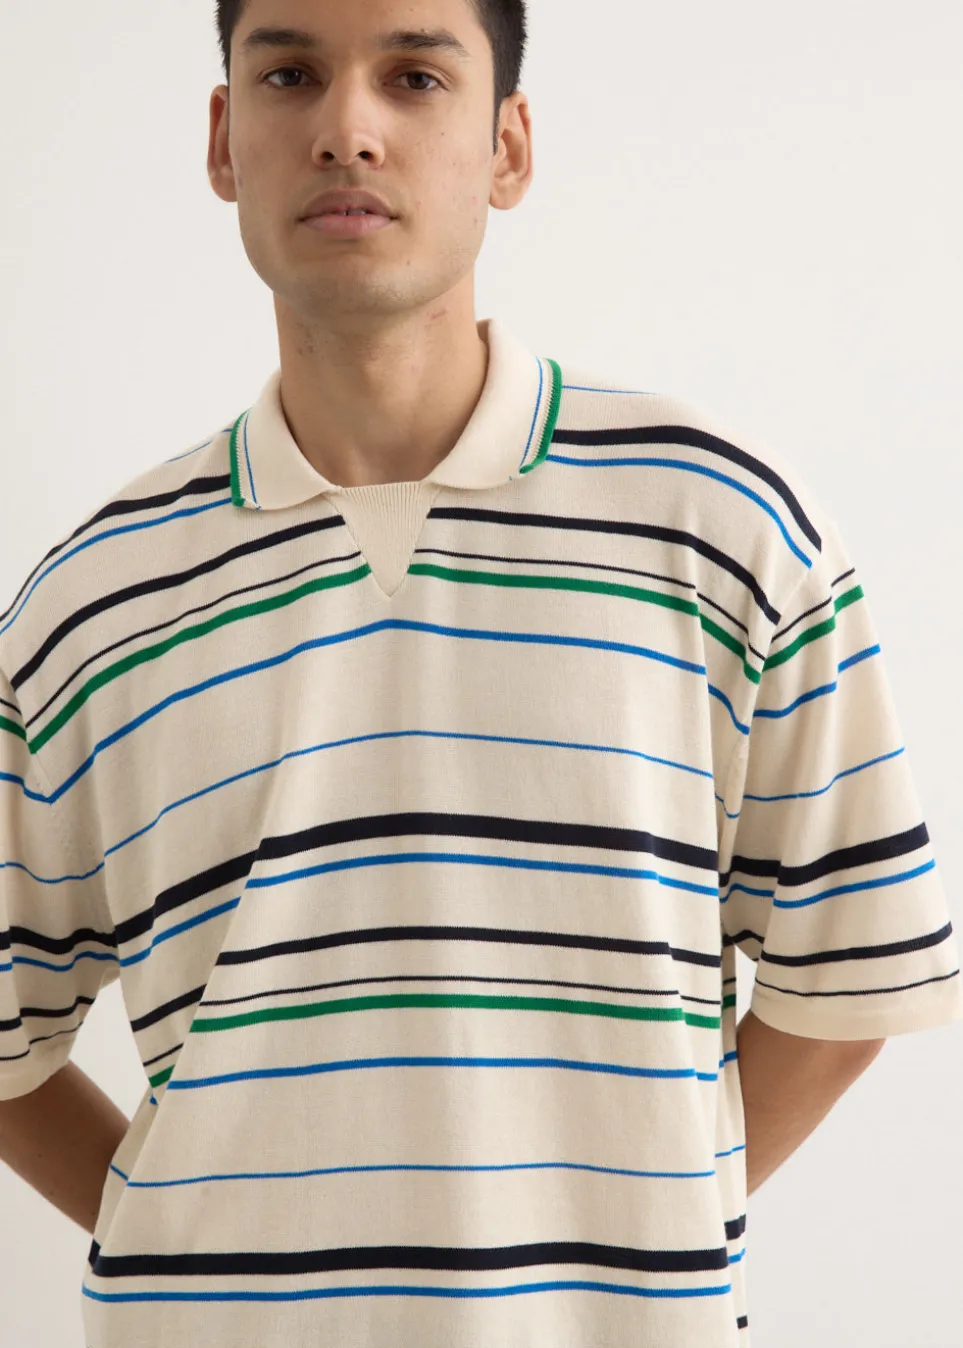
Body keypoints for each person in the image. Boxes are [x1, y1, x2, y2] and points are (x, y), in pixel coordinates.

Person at [1, 1, 960, 1345]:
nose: (346, 129)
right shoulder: (91, 603)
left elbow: (848, 981)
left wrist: (623, 1255)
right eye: (290, 74)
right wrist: (170, 1239)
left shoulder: (721, 531)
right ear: (223, 139)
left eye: (413, 76)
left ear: (507, 146)